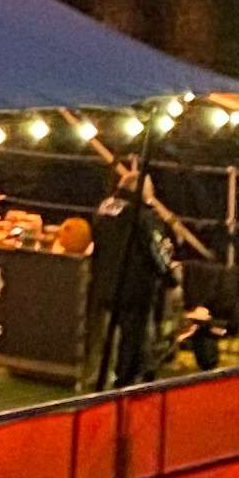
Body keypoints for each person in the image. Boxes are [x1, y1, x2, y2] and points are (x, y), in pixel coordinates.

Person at [83, 155, 175, 388]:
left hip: (104, 282)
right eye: (150, 190)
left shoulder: (105, 208)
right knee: (133, 336)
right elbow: (156, 250)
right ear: (142, 190)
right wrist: (170, 276)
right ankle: (126, 379)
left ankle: (99, 375)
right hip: (135, 286)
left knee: (106, 335)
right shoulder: (143, 215)